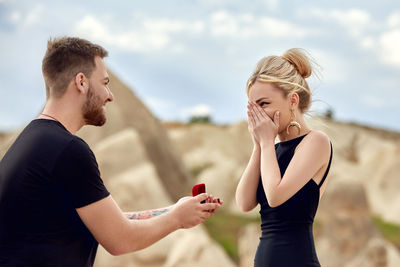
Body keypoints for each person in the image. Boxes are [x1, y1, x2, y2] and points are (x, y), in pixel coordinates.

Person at [0, 37, 222, 267]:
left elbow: (108, 222)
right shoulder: (68, 150)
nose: (110, 95)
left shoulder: (32, 142)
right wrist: (177, 219)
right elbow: (121, 240)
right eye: (104, 82)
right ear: (81, 82)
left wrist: (176, 209)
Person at [235, 48, 333, 267]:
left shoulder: (316, 142)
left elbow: (276, 196)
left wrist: (267, 143)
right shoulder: (271, 149)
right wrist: (258, 145)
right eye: (253, 107)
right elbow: (244, 202)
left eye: (264, 104)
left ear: (292, 100)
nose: (257, 115)